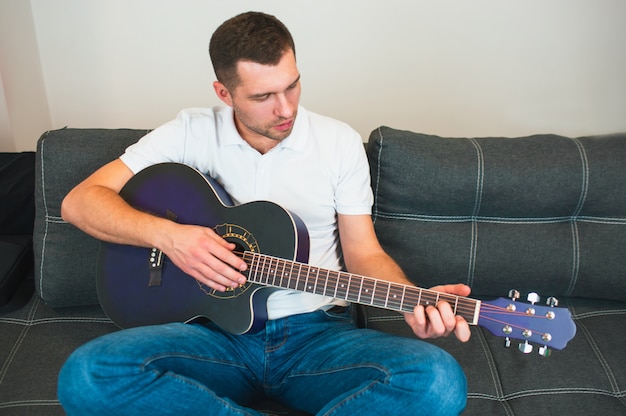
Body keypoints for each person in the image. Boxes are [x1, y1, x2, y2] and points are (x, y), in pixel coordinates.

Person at [57, 11, 471, 416]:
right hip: (210, 336)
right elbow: (79, 202)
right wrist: (171, 238)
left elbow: (363, 253)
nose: (285, 108)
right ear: (224, 93)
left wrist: (410, 301)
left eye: (292, 86)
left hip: (317, 337)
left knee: (437, 380)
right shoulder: (189, 132)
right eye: (263, 97)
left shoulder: (338, 143)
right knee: (89, 375)